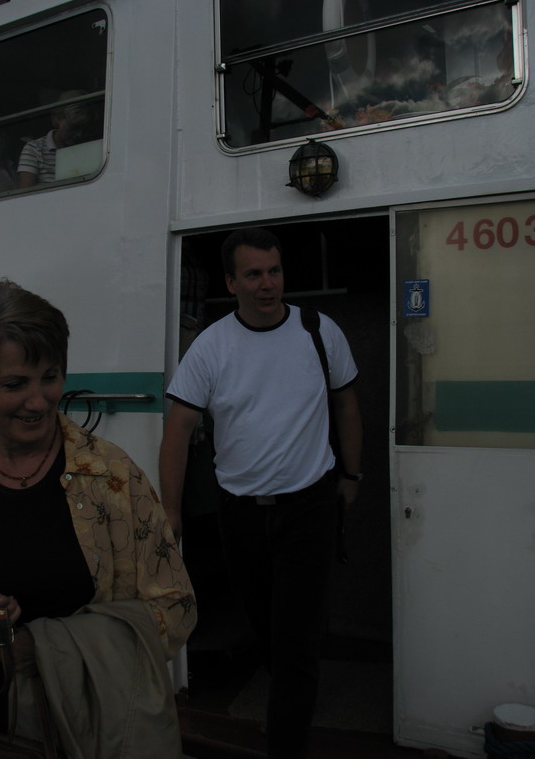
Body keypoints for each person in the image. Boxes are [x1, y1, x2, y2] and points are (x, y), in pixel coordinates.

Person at [0, 280, 196, 758]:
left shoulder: (111, 476)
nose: (38, 400)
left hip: (92, 732)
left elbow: (175, 608)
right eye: (14, 384)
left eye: (50, 376)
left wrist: (47, 648)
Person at [159, 227, 363, 759]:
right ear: (231, 282)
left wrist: (352, 475)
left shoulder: (319, 330)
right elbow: (178, 430)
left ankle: (286, 739)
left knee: (296, 640)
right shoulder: (211, 346)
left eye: (274, 271)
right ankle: (291, 697)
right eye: (253, 274)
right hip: (241, 515)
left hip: (309, 507)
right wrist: (170, 513)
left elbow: (346, 403)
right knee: (265, 627)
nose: (267, 284)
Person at [17, 90, 94, 187]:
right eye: (74, 127)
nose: (79, 134)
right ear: (58, 119)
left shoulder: (88, 148)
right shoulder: (34, 149)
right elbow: (26, 192)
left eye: (84, 128)